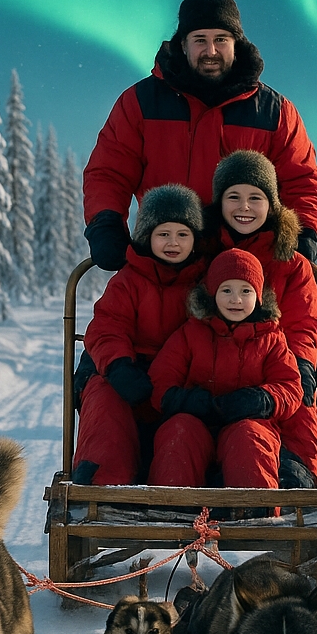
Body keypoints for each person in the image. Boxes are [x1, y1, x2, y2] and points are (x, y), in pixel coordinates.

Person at [82, 0, 317, 272]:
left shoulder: (275, 112)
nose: (211, 51)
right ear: (183, 45)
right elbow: (110, 171)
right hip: (165, 261)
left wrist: (304, 232)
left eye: (221, 39)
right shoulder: (140, 102)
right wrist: (106, 223)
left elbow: (302, 180)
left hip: (245, 271)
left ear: (237, 44)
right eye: (200, 40)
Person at [71, 185, 208, 485]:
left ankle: (173, 497)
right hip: (127, 375)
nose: (173, 242)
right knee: (105, 404)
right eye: (163, 234)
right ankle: (101, 490)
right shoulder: (129, 281)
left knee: (187, 427)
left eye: (182, 235)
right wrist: (119, 365)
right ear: (147, 236)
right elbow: (107, 326)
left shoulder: (204, 284)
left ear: (195, 239)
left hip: (177, 385)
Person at [211, 150, 317, 488]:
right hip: (213, 369)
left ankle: (293, 475)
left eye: (255, 198)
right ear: (219, 203)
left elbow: (304, 324)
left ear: (271, 205)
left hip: (275, 371)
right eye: (234, 197)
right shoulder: (200, 252)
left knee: (300, 406)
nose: (244, 207)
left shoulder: (292, 263)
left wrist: (302, 364)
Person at [147, 249, 302, 489]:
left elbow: (290, 387)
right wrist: (187, 401)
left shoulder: (271, 339)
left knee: (251, 438)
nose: (236, 299)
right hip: (196, 422)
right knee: (178, 432)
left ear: (259, 296)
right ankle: (170, 509)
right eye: (226, 290)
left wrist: (262, 399)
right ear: (212, 293)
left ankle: (256, 514)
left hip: (248, 422)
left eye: (246, 291)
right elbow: (160, 380)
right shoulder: (191, 333)